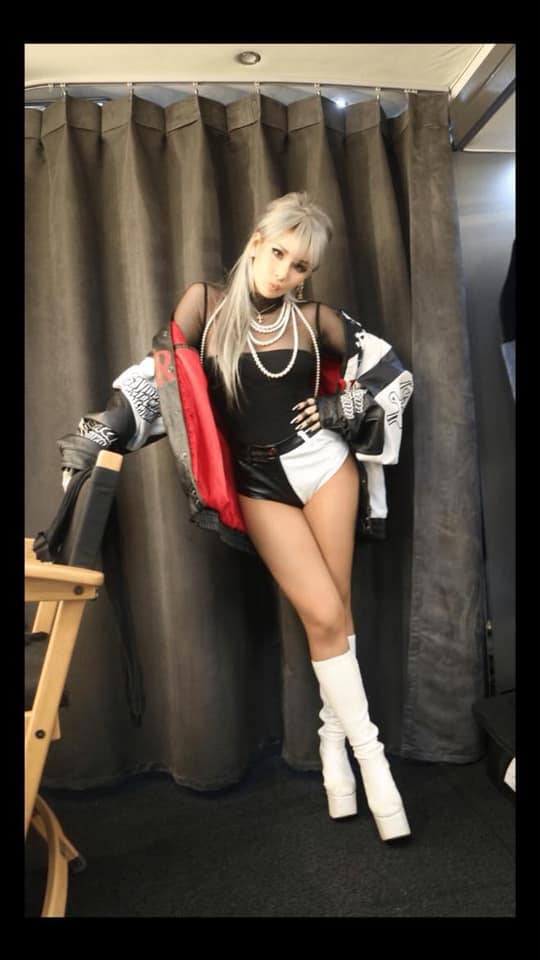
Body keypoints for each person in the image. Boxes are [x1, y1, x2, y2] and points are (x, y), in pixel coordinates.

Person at [59, 192, 414, 842]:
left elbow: (394, 377)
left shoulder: (317, 319)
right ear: (255, 242)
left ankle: (337, 752)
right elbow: (161, 377)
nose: (284, 272)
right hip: (257, 481)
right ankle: (373, 758)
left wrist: (342, 409)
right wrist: (103, 426)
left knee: (335, 611)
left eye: (300, 265)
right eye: (277, 253)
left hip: (327, 468)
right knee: (324, 613)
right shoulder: (206, 306)